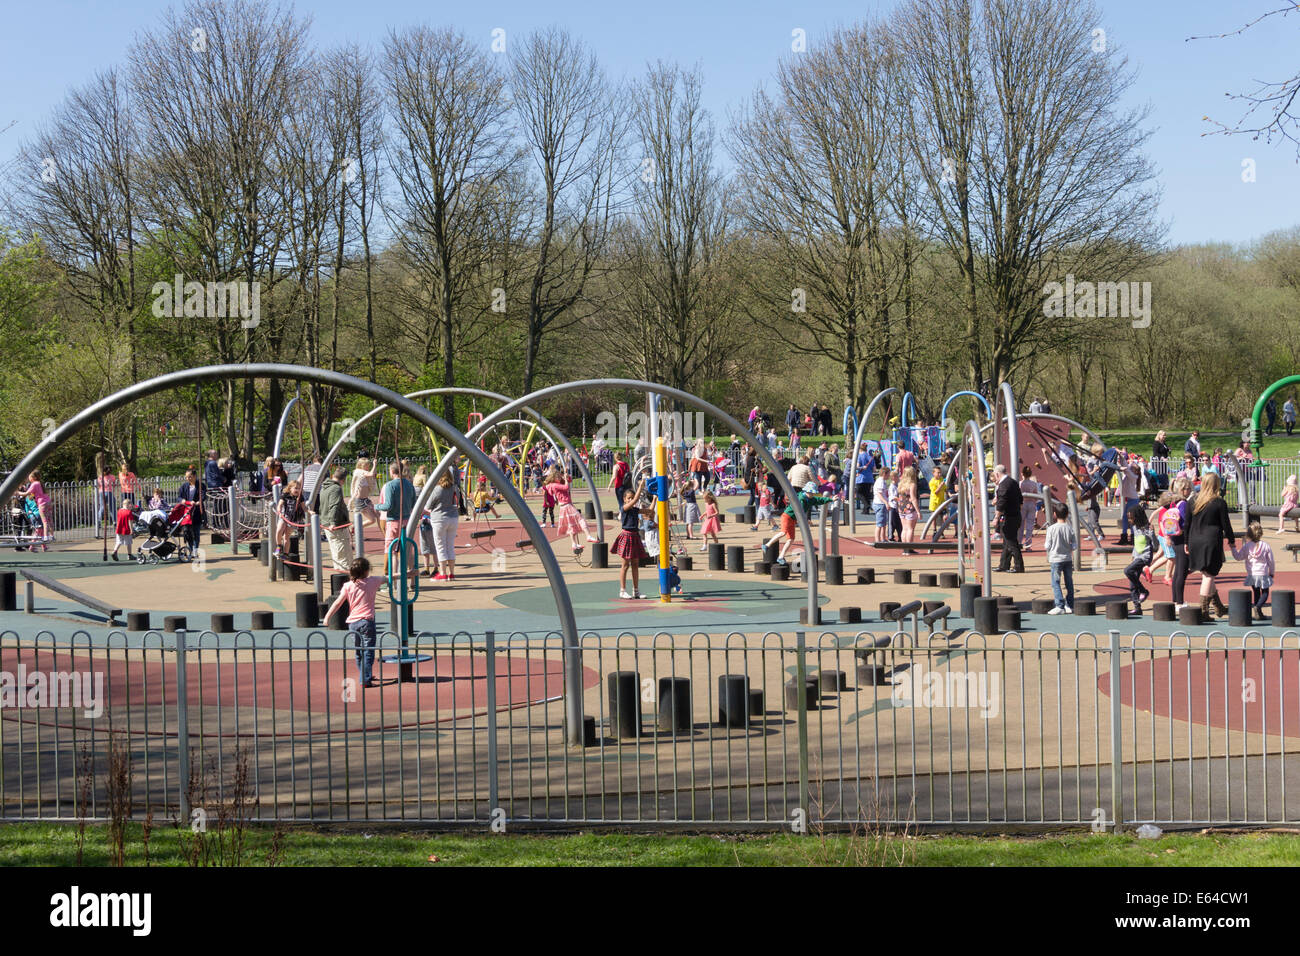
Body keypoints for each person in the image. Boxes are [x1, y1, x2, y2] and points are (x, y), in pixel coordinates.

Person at [326, 557, 384, 689]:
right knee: (368, 651)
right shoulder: (373, 581)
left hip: (352, 623)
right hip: (367, 621)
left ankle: (364, 674)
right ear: (366, 571)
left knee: (359, 651)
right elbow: (389, 577)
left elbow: (337, 602)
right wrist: (408, 574)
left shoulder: (348, 586)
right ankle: (365, 678)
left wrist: (327, 617)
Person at [1186, 471, 1236, 620]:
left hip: (1194, 540)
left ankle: (1218, 606)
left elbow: (1187, 524)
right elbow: (1226, 525)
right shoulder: (1219, 502)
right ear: (1216, 485)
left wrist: (1185, 542)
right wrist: (1231, 540)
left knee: (1207, 573)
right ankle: (1203, 611)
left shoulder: (1193, 501)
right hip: (1211, 540)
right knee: (1209, 575)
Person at [765, 481, 831, 565]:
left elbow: (820, 500)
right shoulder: (800, 499)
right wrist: (804, 519)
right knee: (783, 533)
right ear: (806, 491)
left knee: (791, 539)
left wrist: (830, 499)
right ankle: (767, 545)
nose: (812, 495)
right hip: (787, 516)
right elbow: (800, 511)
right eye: (811, 493)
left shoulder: (811, 499)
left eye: (813, 493)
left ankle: (781, 557)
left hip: (793, 519)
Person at [377, 463, 417, 581]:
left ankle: (394, 581)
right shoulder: (409, 485)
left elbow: (388, 505)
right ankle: (413, 581)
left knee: (393, 551)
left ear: (392, 471)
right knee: (408, 550)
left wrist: (376, 506)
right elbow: (414, 504)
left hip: (394, 520)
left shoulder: (390, 485)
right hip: (407, 520)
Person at [613, 480, 652, 599]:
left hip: (635, 536)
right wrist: (640, 486)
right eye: (628, 498)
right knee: (625, 564)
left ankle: (636, 590)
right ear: (624, 499)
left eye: (631, 498)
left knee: (635, 564)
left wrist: (655, 498)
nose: (630, 500)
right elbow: (635, 501)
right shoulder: (624, 508)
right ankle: (622, 590)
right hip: (627, 536)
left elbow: (649, 510)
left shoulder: (635, 510)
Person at [545, 467, 597, 553]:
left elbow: (569, 481)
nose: (559, 478)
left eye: (559, 476)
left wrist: (566, 475)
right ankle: (588, 536)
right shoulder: (554, 485)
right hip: (567, 506)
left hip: (565, 506)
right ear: (553, 478)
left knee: (572, 525)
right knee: (581, 519)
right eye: (558, 477)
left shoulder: (557, 483)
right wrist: (565, 479)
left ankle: (574, 544)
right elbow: (566, 487)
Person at [1231, 521, 1274, 621]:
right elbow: (1271, 561)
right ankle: (1258, 607)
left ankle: (1258, 613)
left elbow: (1238, 557)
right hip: (1263, 573)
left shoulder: (1247, 546)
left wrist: (1233, 548)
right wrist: (1271, 572)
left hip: (1252, 574)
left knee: (1256, 593)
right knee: (1265, 593)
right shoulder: (1265, 545)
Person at [316, 466, 352, 571]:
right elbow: (334, 506)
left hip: (327, 522)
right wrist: (333, 522)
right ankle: (344, 577)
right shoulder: (336, 488)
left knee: (337, 551)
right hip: (336, 525)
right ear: (343, 480)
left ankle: (342, 574)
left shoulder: (325, 487)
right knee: (342, 553)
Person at [427, 471, 459, 580]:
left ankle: (443, 573)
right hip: (453, 517)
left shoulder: (437, 489)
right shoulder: (455, 488)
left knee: (440, 546)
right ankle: (451, 573)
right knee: (450, 546)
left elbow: (428, 505)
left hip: (439, 519)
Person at [1045, 503, 1076, 614]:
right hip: (1067, 559)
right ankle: (1069, 604)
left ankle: (1059, 605)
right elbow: (1074, 545)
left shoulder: (1051, 529)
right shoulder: (1070, 528)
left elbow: (1047, 546)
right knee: (1069, 582)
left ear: (1054, 514)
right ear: (1067, 514)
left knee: (1056, 582)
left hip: (1055, 559)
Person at [1123, 505, 1154, 616]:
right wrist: (1133, 554)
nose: (1130, 521)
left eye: (1131, 518)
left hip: (1145, 557)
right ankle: (1137, 607)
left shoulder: (1147, 528)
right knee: (1132, 584)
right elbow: (1137, 544)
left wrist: (1152, 534)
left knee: (1127, 571)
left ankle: (1143, 591)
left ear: (1137, 517)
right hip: (1137, 557)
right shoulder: (1135, 527)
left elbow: (1155, 545)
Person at [994, 464, 1025, 573]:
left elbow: (1002, 502)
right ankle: (1004, 564)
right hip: (1015, 515)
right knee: (1007, 541)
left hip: (1008, 517)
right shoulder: (1013, 482)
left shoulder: (1003, 485)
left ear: (997, 474)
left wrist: (996, 517)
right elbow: (1020, 499)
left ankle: (1019, 566)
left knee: (1011, 542)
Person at [349, 458, 380, 528]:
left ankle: (383, 531)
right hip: (360, 501)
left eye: (368, 465)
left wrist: (374, 473)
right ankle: (355, 527)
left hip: (366, 500)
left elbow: (372, 475)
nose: (368, 467)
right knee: (372, 520)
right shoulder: (358, 472)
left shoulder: (365, 473)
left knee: (378, 514)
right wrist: (374, 465)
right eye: (366, 465)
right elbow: (371, 474)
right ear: (361, 465)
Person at [1019, 466, 1040, 551]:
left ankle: (1019, 543)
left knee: (1020, 526)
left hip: (1022, 504)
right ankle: (1028, 545)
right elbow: (1036, 495)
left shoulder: (1020, 483)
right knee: (1029, 526)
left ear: (1022, 474)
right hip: (1031, 504)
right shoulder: (1034, 484)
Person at [871, 467, 891, 543]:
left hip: (881, 503)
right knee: (879, 524)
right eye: (888, 474)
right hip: (880, 504)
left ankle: (883, 538)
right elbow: (879, 494)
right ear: (884, 474)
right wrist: (886, 502)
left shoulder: (882, 481)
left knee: (883, 523)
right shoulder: (880, 481)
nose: (889, 476)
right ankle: (877, 540)